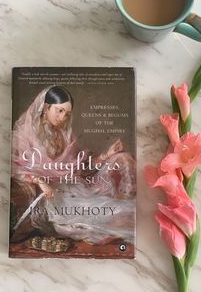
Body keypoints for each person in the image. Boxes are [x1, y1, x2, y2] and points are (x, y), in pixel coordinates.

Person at [11, 86, 136, 245]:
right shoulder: (24, 134)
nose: (62, 117)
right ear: (46, 107)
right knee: (91, 218)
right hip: (48, 195)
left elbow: (81, 166)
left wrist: (108, 154)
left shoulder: (64, 134)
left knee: (112, 209)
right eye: (59, 110)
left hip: (71, 187)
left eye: (67, 114)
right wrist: (41, 182)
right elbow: (18, 167)